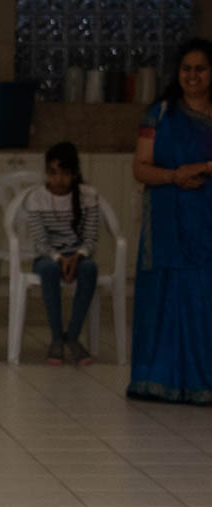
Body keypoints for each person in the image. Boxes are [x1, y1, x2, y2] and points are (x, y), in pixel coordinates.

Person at [127, 37, 212, 405]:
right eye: (186, 69)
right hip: (164, 221)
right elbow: (140, 168)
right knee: (163, 297)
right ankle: (155, 379)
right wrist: (175, 176)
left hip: (205, 221)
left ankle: (202, 382)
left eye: (200, 69)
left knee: (202, 297)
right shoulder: (159, 115)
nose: (192, 76)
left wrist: (203, 167)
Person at [24, 141, 101, 366]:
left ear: (74, 174)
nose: (58, 180)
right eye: (52, 173)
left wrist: (77, 257)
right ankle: (57, 337)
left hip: (79, 256)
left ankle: (73, 336)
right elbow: (40, 242)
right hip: (48, 257)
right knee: (48, 270)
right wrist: (60, 259)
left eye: (64, 173)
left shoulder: (88, 196)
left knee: (90, 269)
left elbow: (91, 238)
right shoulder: (36, 197)